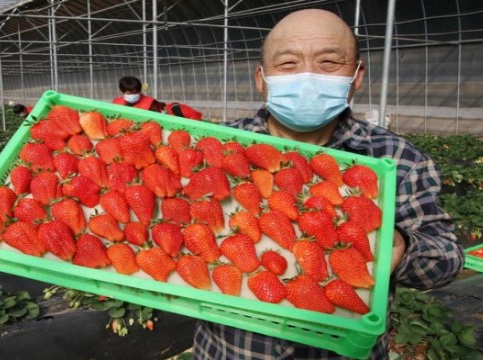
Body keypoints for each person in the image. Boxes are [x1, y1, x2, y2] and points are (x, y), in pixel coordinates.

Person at [193, 9, 464, 359]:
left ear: (356, 75)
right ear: (261, 78)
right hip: (227, 351)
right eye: (288, 64)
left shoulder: (397, 159)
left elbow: (447, 261)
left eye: (329, 63)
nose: (307, 76)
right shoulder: (215, 147)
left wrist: (398, 246)